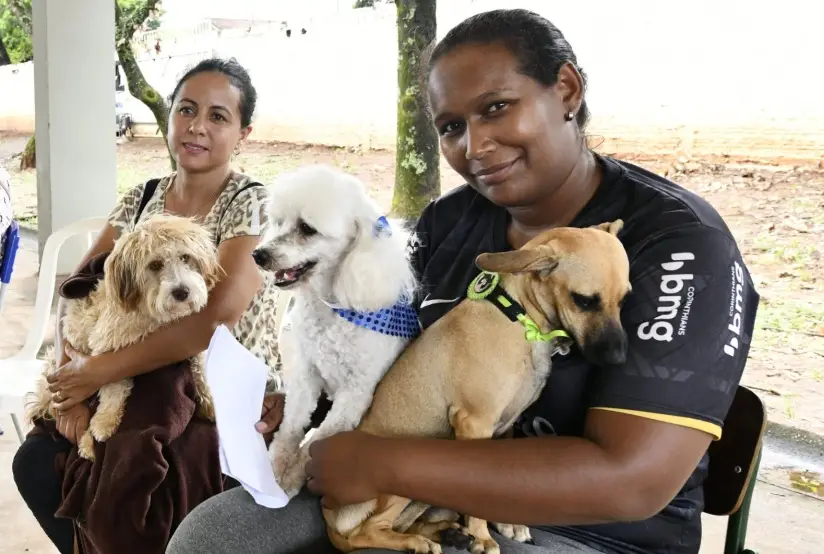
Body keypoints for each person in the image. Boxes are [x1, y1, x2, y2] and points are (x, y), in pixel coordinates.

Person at [166, 9, 760, 554]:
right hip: (410, 491)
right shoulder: (449, 223)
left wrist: (383, 464)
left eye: (496, 107)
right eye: (451, 126)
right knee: (213, 537)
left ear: (566, 90)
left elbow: (632, 481)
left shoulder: (678, 245)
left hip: (588, 532)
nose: (475, 146)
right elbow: (393, 365)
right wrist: (309, 402)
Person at [12, 57, 287, 554]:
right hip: (129, 378)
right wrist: (71, 393)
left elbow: (213, 320)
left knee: (146, 480)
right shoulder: (141, 199)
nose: (197, 126)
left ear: (243, 133)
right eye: (187, 109)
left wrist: (96, 373)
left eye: (218, 116)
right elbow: (80, 293)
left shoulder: (252, 203)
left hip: (220, 394)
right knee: (35, 462)